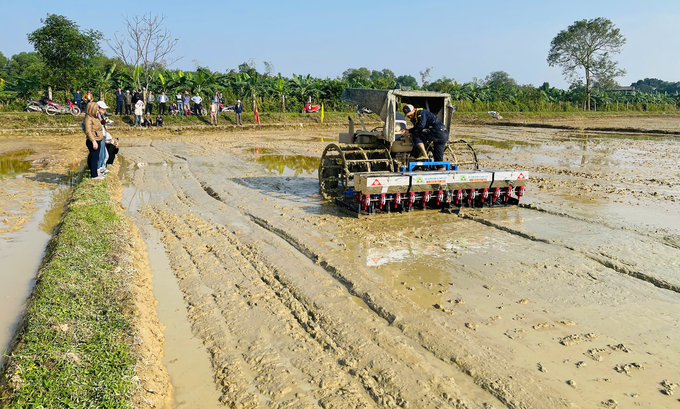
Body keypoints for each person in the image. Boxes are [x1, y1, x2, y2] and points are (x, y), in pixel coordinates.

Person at [401, 104, 449, 170]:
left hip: (437, 132)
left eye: (410, 114)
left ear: (414, 110)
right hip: (443, 134)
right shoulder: (418, 114)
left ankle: (424, 155)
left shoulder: (420, 113)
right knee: (438, 158)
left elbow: (420, 126)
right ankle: (440, 169)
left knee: (416, 134)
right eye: (408, 115)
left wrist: (409, 130)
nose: (410, 116)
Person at [82, 101, 106, 179]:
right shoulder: (88, 118)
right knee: (95, 158)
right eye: (96, 110)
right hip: (93, 140)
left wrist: (104, 120)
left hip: (97, 139)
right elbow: (88, 131)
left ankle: (92, 171)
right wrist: (93, 141)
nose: (97, 112)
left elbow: (100, 123)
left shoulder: (94, 117)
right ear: (92, 110)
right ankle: (94, 176)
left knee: (93, 156)